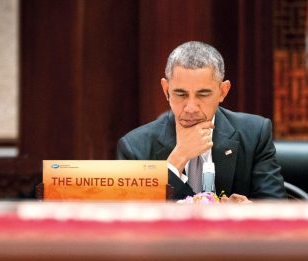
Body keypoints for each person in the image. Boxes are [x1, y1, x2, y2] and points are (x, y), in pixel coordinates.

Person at [117, 41, 286, 201]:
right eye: (181, 94)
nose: (191, 108)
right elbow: (132, 216)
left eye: (203, 94)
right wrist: (178, 158)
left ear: (222, 91)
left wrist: (245, 212)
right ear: (166, 90)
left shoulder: (255, 134)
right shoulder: (134, 148)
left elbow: (276, 209)